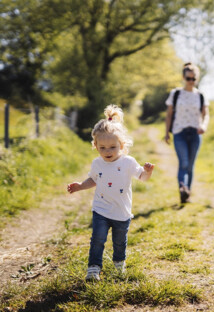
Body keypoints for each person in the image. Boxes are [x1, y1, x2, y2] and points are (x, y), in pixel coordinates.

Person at [67, 104, 155, 281]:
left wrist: (148, 172)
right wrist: (79, 186)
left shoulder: (128, 162)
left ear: (121, 145)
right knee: (97, 239)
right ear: (96, 145)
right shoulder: (97, 163)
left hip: (122, 212)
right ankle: (93, 269)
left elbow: (142, 178)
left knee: (119, 242)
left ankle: (118, 267)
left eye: (112, 147)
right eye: (103, 148)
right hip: (101, 209)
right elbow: (93, 180)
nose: (107, 152)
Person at [164, 62, 210, 204]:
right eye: (188, 78)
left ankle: (186, 193)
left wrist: (203, 125)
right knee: (183, 163)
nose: (191, 81)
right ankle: (183, 188)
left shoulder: (201, 95)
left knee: (190, 165)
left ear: (197, 79)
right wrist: (166, 133)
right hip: (179, 132)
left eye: (193, 79)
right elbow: (169, 115)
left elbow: (206, 114)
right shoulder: (176, 93)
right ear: (183, 78)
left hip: (196, 133)